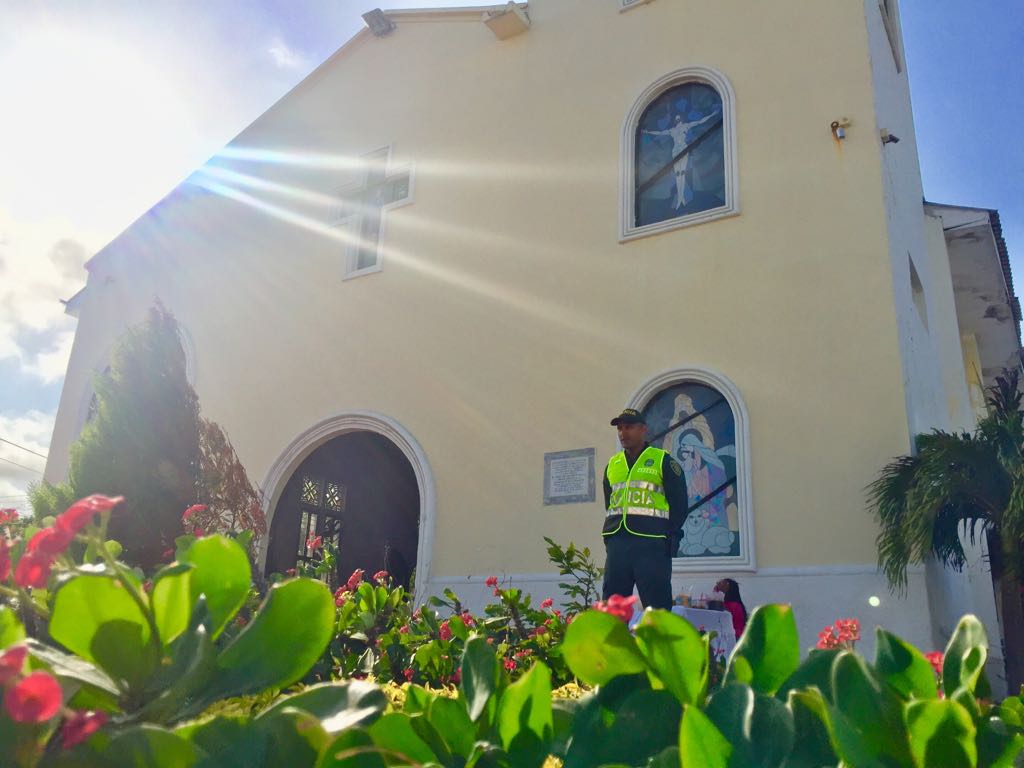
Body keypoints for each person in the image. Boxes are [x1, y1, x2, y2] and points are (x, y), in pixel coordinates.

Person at [602, 408, 689, 610]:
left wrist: (667, 536)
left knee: (657, 608)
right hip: (617, 543)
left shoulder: (663, 460)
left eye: (629, 427)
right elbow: (610, 503)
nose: (623, 433)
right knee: (612, 608)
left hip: (652, 545)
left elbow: (679, 504)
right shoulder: (612, 465)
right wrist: (610, 539)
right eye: (620, 428)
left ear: (643, 430)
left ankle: (657, 642)